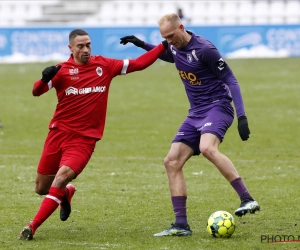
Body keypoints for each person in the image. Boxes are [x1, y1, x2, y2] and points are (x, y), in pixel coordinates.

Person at [18, 28, 168, 241]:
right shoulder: (61, 70)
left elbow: (139, 64)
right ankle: (67, 193)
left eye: (88, 45)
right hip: (58, 135)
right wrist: (43, 79)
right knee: (42, 188)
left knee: (60, 178)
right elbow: (36, 92)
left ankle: (31, 227)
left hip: (83, 140)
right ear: (71, 48)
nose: (86, 49)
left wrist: (164, 45)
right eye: (80, 46)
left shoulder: (104, 65)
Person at [120, 14, 260, 237]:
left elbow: (231, 80)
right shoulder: (173, 45)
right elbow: (171, 56)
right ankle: (181, 224)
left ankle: (247, 199)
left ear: (182, 27)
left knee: (207, 148)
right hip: (195, 113)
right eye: (164, 37)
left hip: (218, 106)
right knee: (172, 161)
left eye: (171, 36)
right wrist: (142, 45)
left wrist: (242, 117)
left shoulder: (205, 49)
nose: (169, 41)